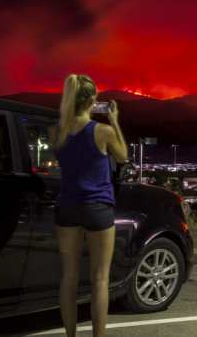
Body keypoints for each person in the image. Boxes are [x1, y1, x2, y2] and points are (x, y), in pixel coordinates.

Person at [52, 74, 127, 337]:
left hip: (67, 208)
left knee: (68, 279)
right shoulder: (102, 131)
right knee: (100, 280)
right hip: (97, 208)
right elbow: (123, 156)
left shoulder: (57, 132)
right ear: (93, 100)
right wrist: (114, 120)